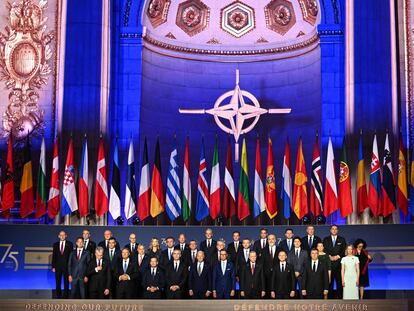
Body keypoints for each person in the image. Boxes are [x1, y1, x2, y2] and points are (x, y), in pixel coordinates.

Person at [323, 225, 346, 299]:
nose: (334, 230)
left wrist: (337, 256)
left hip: (339, 265)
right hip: (329, 264)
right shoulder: (326, 239)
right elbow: (324, 250)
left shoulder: (342, 239)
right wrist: (329, 256)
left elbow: (343, 251)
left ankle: (340, 297)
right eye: (332, 229)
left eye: (336, 229)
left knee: (339, 283)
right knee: (329, 282)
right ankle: (330, 298)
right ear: (330, 230)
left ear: (338, 230)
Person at [51, 230, 73, 298]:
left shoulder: (70, 244)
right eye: (61, 235)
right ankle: (58, 295)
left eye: (64, 235)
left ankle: (66, 295)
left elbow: (71, 256)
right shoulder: (55, 244)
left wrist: (71, 266)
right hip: (58, 266)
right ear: (59, 236)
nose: (62, 236)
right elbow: (54, 256)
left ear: (66, 236)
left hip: (67, 266)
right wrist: (53, 266)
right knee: (58, 281)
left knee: (66, 282)